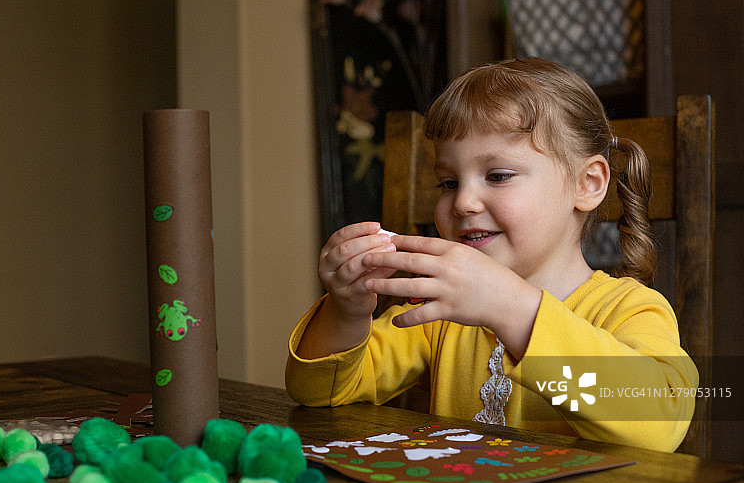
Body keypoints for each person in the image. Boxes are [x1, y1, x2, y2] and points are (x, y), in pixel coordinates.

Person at [285, 57, 699, 452]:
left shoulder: (628, 310)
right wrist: (347, 310)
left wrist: (512, 308)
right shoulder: (440, 313)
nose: (463, 201)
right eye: (447, 182)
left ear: (587, 184)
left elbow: (660, 423)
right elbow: (320, 392)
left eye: (497, 176)